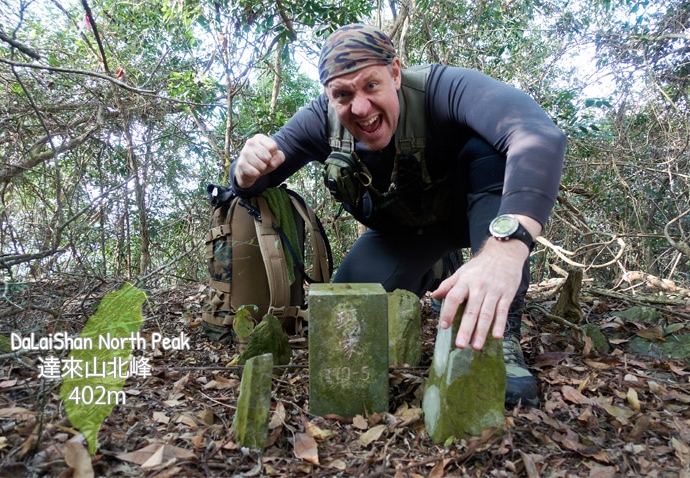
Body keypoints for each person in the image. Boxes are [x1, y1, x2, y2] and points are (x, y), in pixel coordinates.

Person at [231, 23, 567, 407]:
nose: (359, 108)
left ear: (395, 71)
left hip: (481, 219)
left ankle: (500, 335)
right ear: (328, 95)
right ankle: (441, 270)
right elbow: (252, 180)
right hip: (406, 231)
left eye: (371, 85)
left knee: (487, 149)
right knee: (345, 311)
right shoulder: (319, 121)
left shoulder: (444, 88)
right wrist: (244, 170)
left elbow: (539, 136)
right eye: (343, 95)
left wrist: (506, 249)